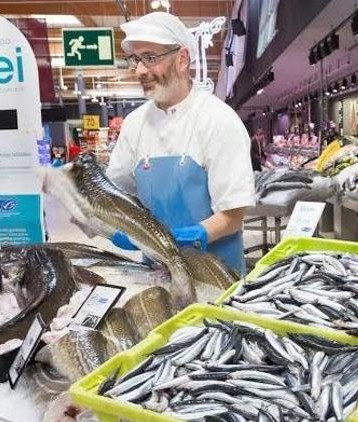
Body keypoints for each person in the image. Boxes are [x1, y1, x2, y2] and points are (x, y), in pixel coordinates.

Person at [105, 12, 255, 274]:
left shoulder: (219, 120)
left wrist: (194, 235)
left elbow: (233, 215)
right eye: (136, 60)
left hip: (218, 274)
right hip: (159, 273)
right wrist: (119, 225)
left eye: (151, 58)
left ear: (182, 59)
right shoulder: (134, 124)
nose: (140, 70)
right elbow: (118, 189)